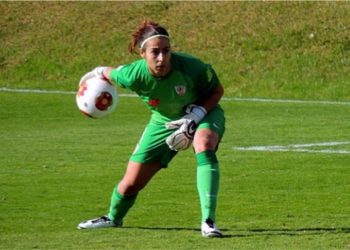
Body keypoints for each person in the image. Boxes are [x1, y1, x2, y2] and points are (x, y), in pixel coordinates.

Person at [77, 20, 225, 238]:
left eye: (166, 51)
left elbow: (217, 91)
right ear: (142, 53)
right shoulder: (132, 75)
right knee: (129, 185)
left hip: (204, 112)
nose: (162, 58)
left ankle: (208, 221)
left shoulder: (192, 67)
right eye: (155, 52)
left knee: (203, 144)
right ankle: (112, 218)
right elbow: (110, 73)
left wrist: (196, 115)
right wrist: (96, 73)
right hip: (163, 121)